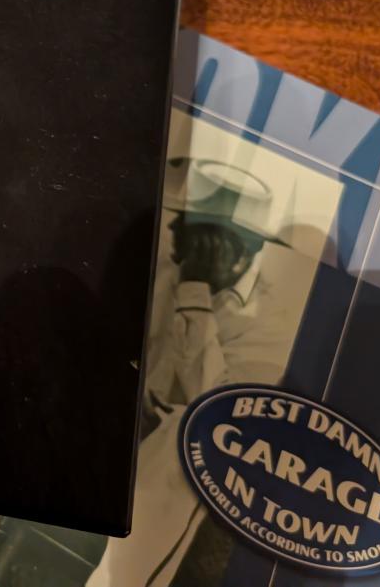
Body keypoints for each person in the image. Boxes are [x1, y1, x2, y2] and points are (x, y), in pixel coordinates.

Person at [86, 156, 316, 587]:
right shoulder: (161, 270)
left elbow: (212, 413)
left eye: (188, 226)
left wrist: (195, 292)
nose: (172, 227)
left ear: (232, 250)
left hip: (173, 477)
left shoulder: (271, 326)